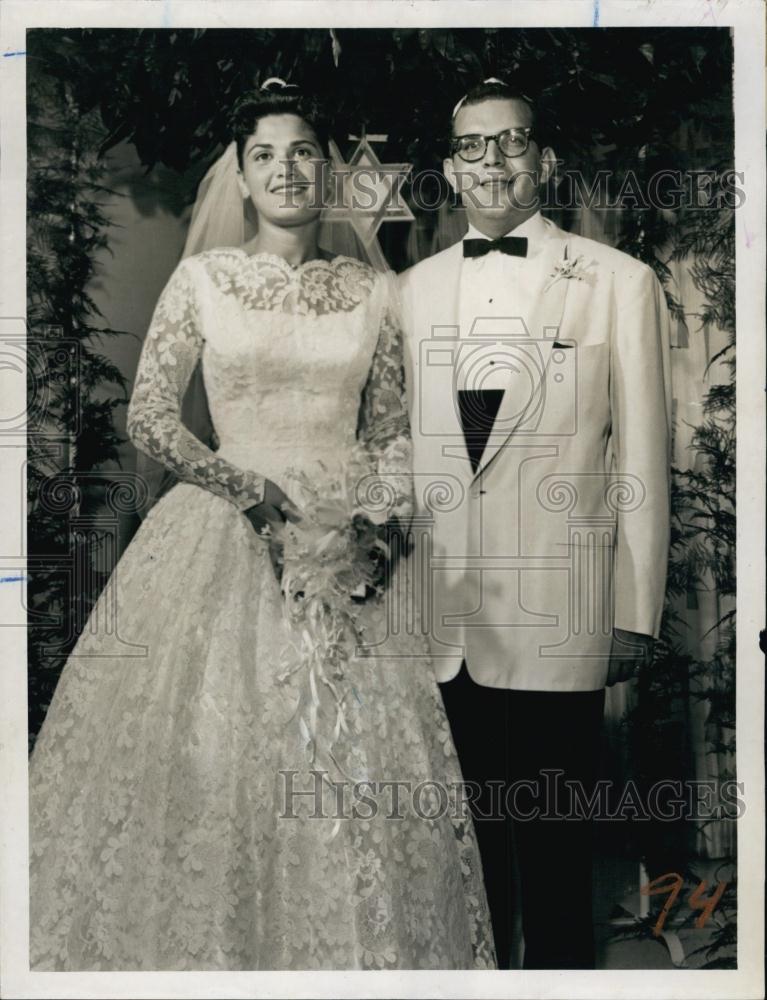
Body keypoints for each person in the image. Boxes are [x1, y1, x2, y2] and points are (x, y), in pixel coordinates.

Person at [28, 80, 495, 971]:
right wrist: (244, 488)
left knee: (352, 770)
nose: (286, 170)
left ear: (326, 170)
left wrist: (377, 515)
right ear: (239, 177)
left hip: (346, 547)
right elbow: (152, 417)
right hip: (220, 532)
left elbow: (392, 432)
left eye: (303, 152)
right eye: (265, 155)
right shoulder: (204, 278)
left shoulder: (371, 291)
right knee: (213, 753)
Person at [397, 78, 672, 969]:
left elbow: (640, 460)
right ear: (449, 169)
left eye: (510, 142)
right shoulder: (405, 293)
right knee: (466, 869)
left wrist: (635, 611)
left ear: (543, 161)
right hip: (441, 621)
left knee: (556, 864)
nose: (492, 163)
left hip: (562, 616)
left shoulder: (616, 283)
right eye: (471, 147)